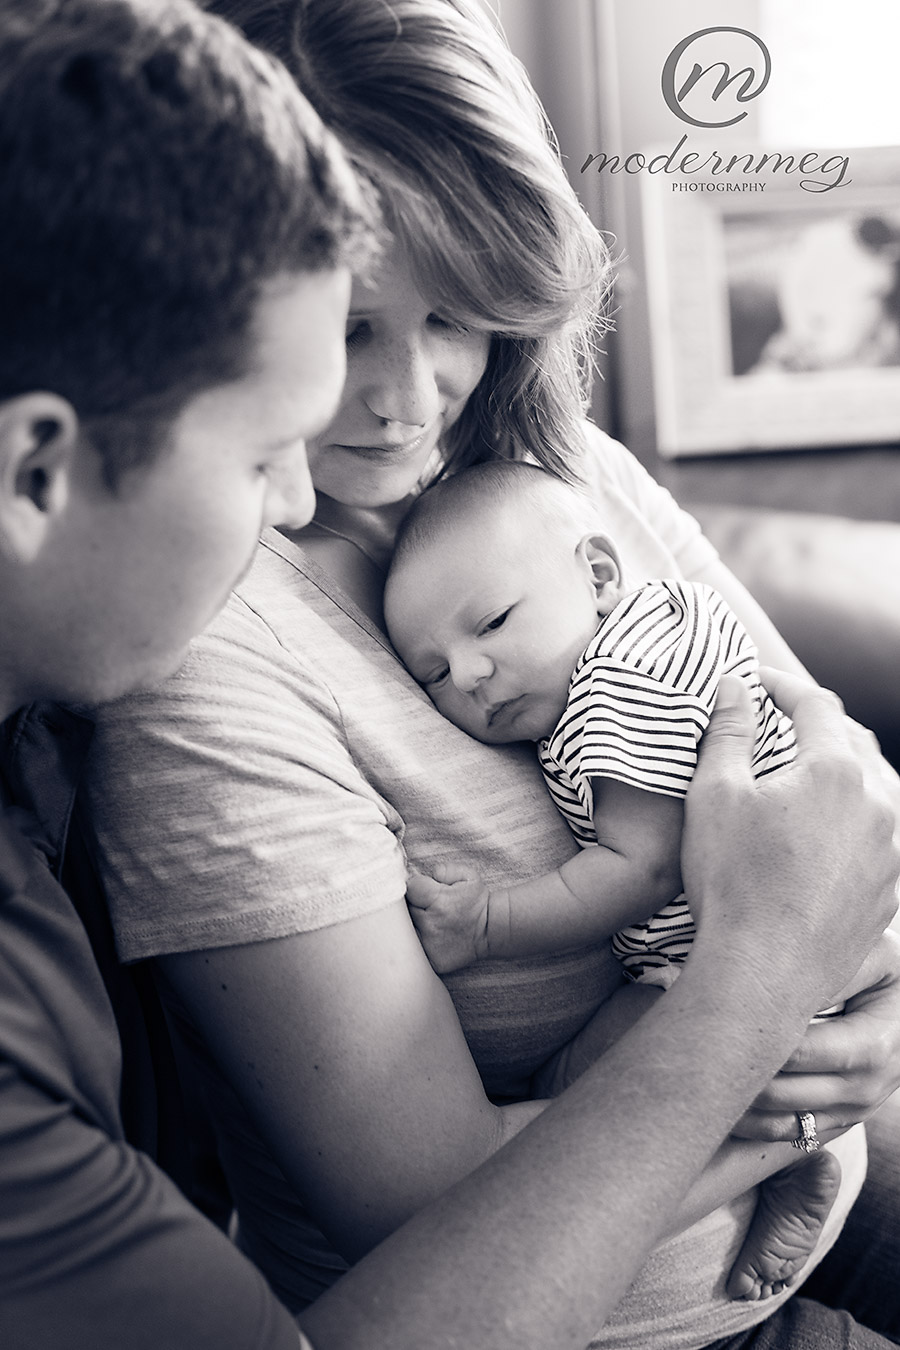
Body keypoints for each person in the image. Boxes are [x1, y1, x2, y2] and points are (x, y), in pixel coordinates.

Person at [72, 0, 900, 1346]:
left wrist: (870, 1006)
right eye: (348, 329)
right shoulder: (208, 659)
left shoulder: (568, 475)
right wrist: (775, 1008)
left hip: (823, 1162)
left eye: (455, 313)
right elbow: (425, 1221)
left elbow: (836, 798)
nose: (409, 398)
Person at [383, 458, 848, 1302]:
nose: (472, 675)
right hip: (814, 945)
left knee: (571, 1092)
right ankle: (796, 1161)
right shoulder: (661, 620)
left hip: (735, 964)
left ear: (597, 572)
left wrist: (485, 921)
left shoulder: (612, 691)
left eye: (490, 624)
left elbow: (642, 869)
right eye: (434, 675)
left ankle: (785, 1161)